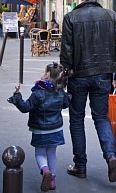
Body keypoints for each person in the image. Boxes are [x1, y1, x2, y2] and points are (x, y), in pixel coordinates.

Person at [60, 0, 116, 183]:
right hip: (103, 74)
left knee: (77, 119)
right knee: (101, 117)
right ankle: (111, 156)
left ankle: (80, 166)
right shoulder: (111, 16)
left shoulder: (71, 18)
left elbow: (66, 54)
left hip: (78, 75)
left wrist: (62, 80)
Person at [7, 62, 70, 191]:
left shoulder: (37, 93)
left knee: (40, 153)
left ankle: (45, 170)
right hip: (56, 129)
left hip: (40, 130)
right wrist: (67, 95)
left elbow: (25, 108)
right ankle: (52, 180)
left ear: (46, 75)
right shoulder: (60, 93)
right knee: (52, 153)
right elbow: (65, 104)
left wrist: (17, 96)